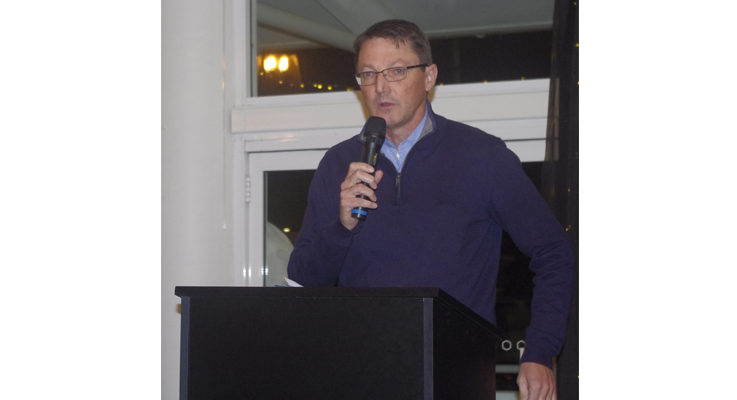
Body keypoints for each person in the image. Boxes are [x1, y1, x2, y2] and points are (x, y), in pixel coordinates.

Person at [287, 19, 573, 400]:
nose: (380, 86)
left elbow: (553, 252)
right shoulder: (339, 164)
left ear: (429, 76)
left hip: (457, 378)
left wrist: (539, 351)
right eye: (368, 74)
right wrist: (341, 227)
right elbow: (303, 279)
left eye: (396, 71)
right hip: (362, 377)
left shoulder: (483, 157)